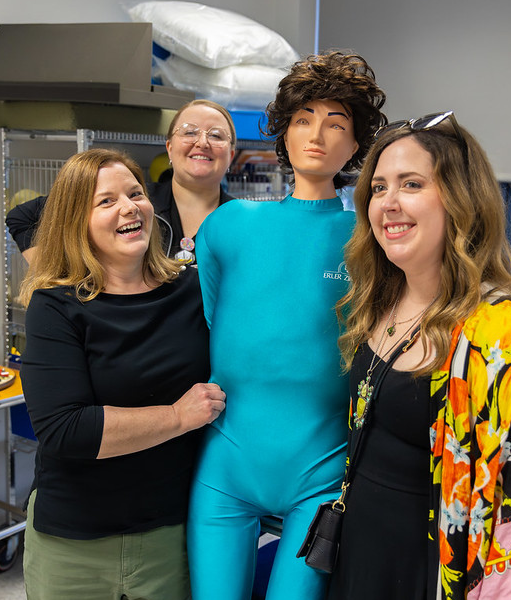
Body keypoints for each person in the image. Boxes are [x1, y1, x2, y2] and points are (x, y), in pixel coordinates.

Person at [327, 112, 511, 599]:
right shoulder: (378, 300)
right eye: (378, 188)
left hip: (436, 574)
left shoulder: (507, 337)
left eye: (411, 184)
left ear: (461, 201)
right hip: (357, 559)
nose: (388, 203)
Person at [187, 51, 387, 600]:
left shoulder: (369, 242)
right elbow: (208, 325)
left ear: (355, 146)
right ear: (284, 132)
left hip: (321, 469)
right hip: (226, 464)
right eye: (303, 119)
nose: (317, 135)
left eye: (336, 124)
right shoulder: (226, 227)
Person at [18, 148, 226, 600]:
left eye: (135, 194)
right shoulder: (57, 305)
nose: (130, 207)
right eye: (106, 201)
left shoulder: (191, 291)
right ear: (77, 221)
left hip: (170, 535)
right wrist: (177, 416)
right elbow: (65, 429)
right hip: (73, 544)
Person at [5, 99, 237, 266]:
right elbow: (23, 217)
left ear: (231, 155)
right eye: (189, 132)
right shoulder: (135, 204)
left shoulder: (243, 221)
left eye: (216, 135)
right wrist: (56, 276)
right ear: (169, 147)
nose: (202, 142)